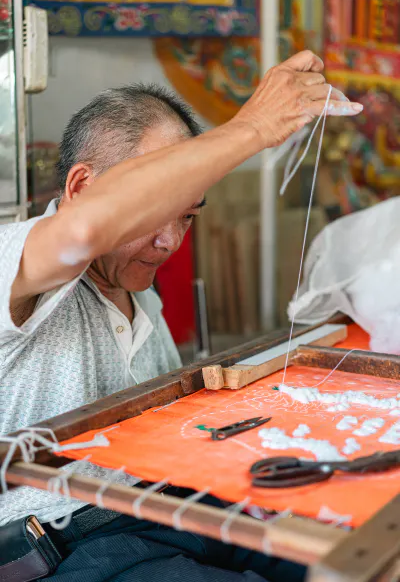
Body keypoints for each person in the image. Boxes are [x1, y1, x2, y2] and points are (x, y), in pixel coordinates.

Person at [0, 51, 362, 581]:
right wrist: (254, 127)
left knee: (338, 557)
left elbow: (165, 444)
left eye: (188, 217)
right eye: (155, 216)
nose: (170, 241)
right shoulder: (15, 262)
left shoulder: (143, 302)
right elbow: (80, 233)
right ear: (80, 189)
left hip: (166, 513)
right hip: (67, 546)